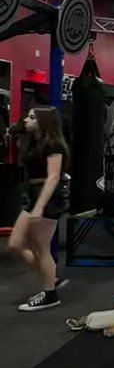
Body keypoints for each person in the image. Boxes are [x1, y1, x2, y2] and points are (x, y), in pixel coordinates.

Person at [10, 106, 70, 313]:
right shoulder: (32, 142)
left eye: (32, 117)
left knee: (41, 249)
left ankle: (50, 293)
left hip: (48, 196)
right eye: (27, 116)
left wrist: (40, 206)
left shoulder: (54, 145)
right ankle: (51, 277)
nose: (26, 120)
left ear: (44, 121)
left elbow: (53, 177)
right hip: (33, 195)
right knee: (16, 243)